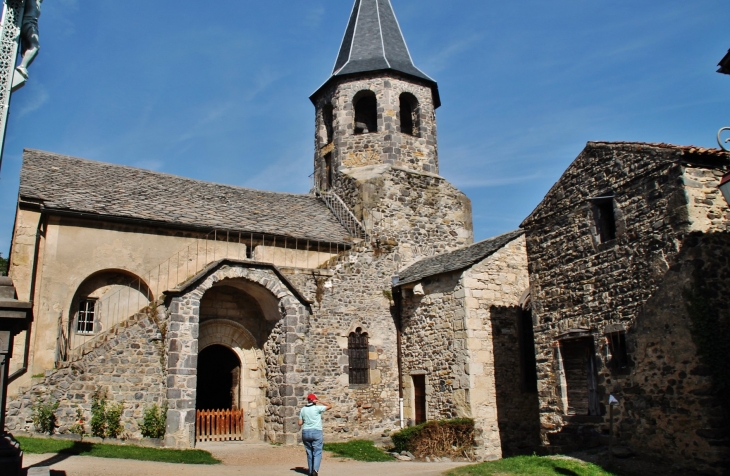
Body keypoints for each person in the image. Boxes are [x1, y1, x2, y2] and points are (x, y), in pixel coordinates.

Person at [298, 393, 332, 476]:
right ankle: (315, 470)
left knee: (309, 452)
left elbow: (300, 423)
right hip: (316, 431)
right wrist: (320, 401)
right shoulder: (317, 408)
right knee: (317, 452)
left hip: (306, 432)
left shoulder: (303, 409)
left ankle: (310, 471)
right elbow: (330, 406)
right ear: (314, 400)